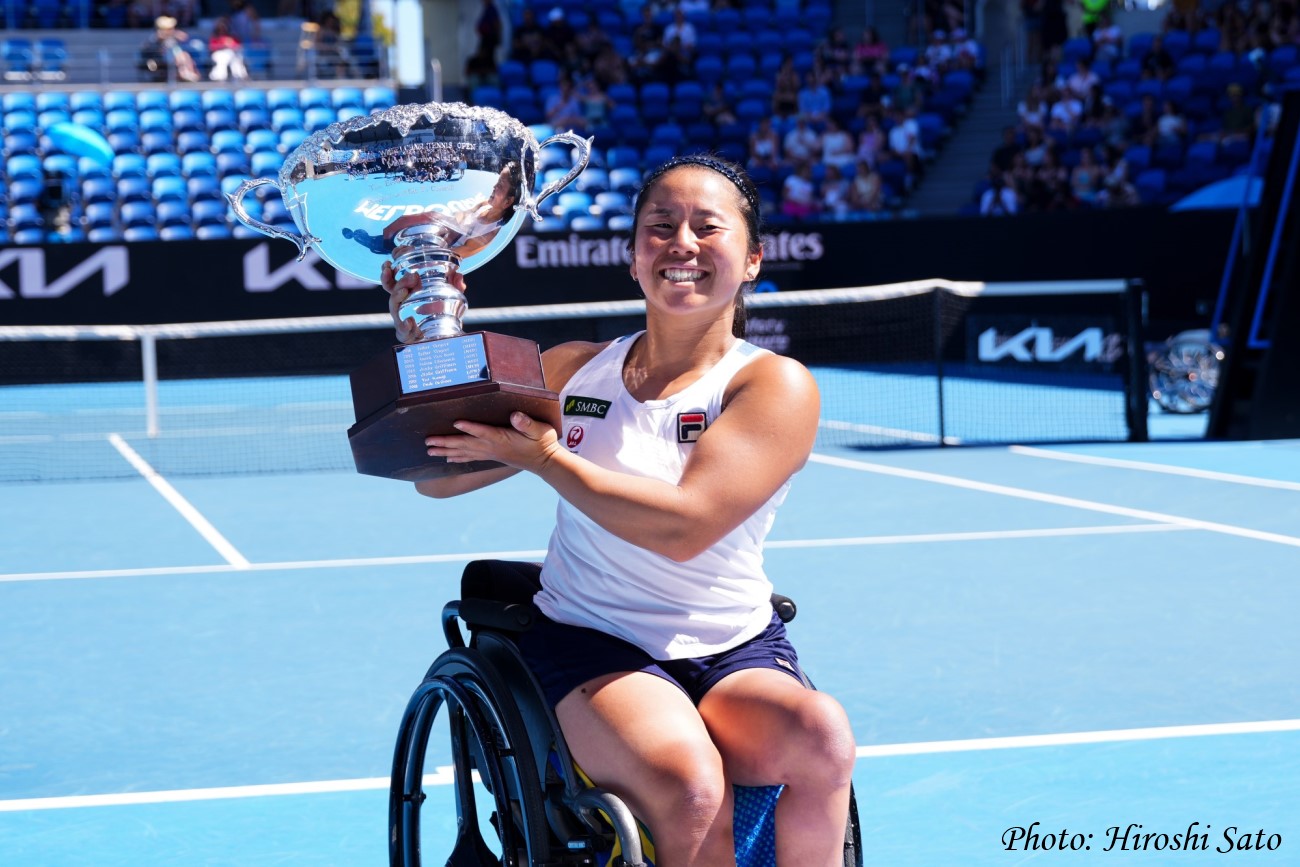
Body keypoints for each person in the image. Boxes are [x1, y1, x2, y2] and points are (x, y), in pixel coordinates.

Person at [381, 155, 856, 867]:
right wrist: (425, 337)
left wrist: (549, 459)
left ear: (752, 258)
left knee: (821, 734)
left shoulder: (774, 384)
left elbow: (684, 526)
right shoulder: (574, 368)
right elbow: (438, 477)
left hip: (732, 646)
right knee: (689, 785)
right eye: (659, 227)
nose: (681, 244)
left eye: (707, 227)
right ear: (634, 258)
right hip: (594, 638)